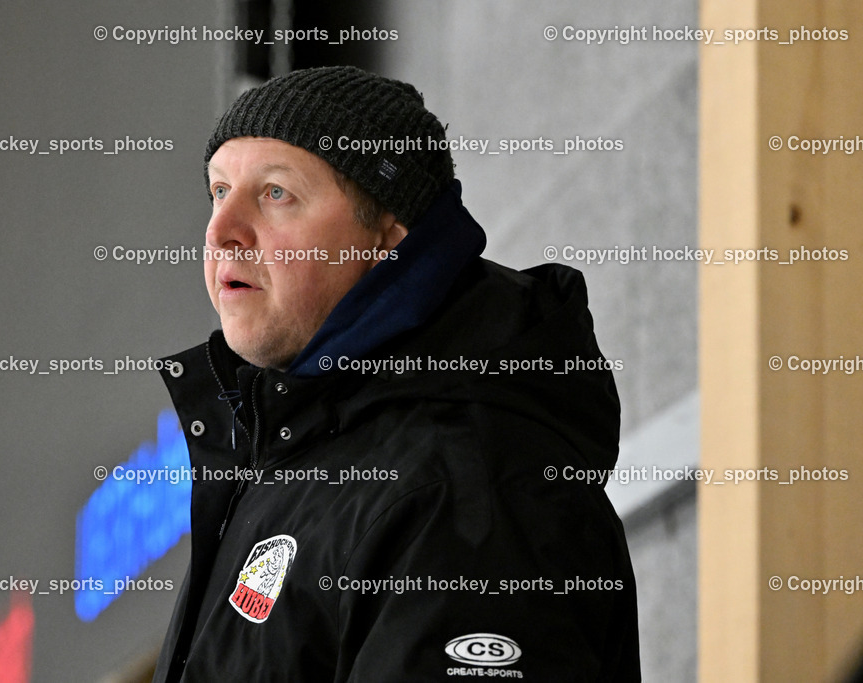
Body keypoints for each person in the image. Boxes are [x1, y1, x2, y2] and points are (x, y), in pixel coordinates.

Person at [153, 65, 640, 682]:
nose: (222, 232)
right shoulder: (291, 464)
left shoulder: (468, 488)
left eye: (276, 193)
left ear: (387, 236)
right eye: (219, 191)